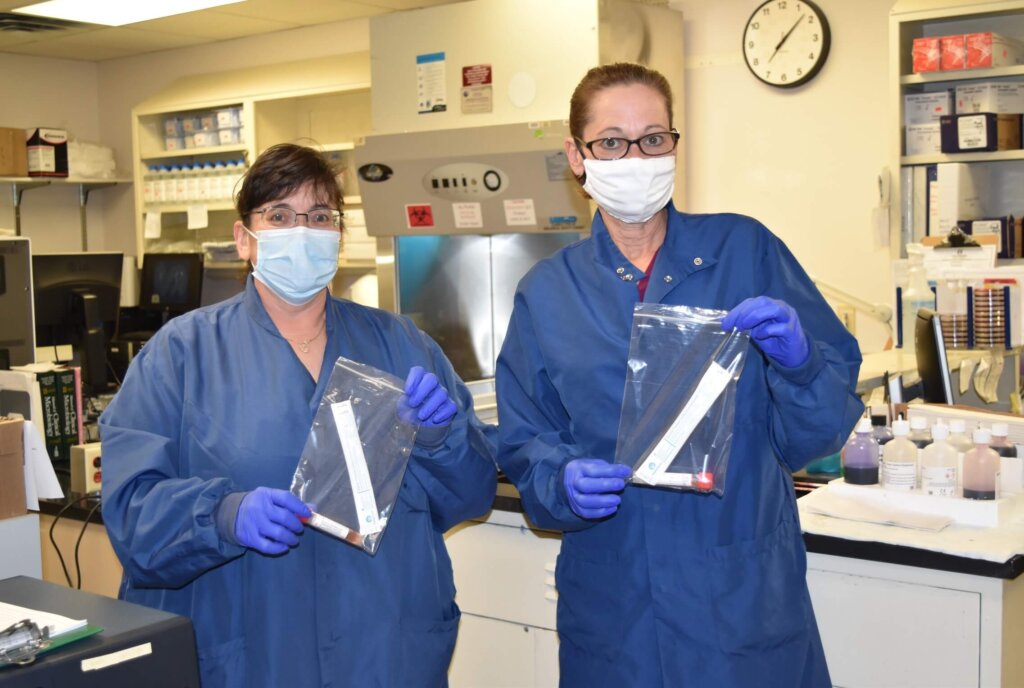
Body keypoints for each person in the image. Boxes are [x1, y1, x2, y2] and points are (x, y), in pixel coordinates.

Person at [496, 63, 863, 687]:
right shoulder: (548, 294)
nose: (635, 157)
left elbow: (818, 436)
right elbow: (526, 443)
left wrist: (802, 365)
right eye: (611, 141)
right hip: (616, 610)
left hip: (739, 602)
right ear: (577, 157)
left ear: (674, 147)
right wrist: (561, 479)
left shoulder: (745, 251)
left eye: (653, 139)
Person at [100, 143, 497, 688]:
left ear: (337, 235)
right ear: (245, 238)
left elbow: (471, 494)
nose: (302, 230)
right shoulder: (181, 355)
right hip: (252, 655)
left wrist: (441, 438)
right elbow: (130, 511)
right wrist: (221, 515)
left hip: (382, 651)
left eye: (319, 217)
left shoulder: (403, 345)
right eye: (280, 216)